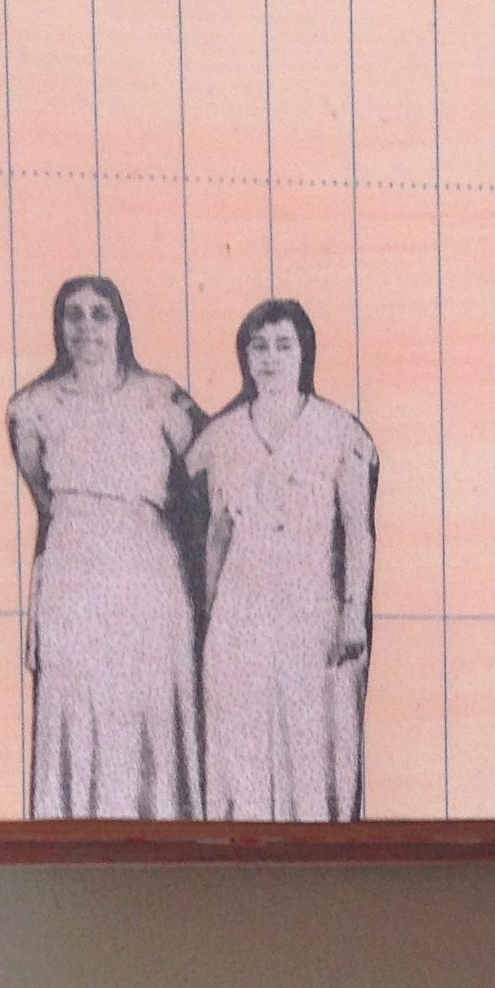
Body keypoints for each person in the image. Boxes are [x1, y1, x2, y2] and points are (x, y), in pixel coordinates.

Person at [7, 275, 204, 818]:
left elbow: (208, 480)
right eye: (73, 314)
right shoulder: (31, 408)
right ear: (59, 326)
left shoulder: (160, 396)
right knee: (80, 702)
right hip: (73, 572)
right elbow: (45, 500)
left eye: (100, 313)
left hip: (147, 569)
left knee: (146, 699)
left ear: (120, 323)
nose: (86, 326)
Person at [186, 299, 378, 821]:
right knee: (242, 733)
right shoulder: (223, 435)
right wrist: (212, 617)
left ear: (303, 353)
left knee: (309, 731)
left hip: (309, 599)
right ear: (245, 357)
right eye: (260, 347)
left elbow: (358, 532)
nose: (270, 358)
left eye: (283, 346)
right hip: (241, 603)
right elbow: (218, 534)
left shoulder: (339, 431)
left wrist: (352, 613)